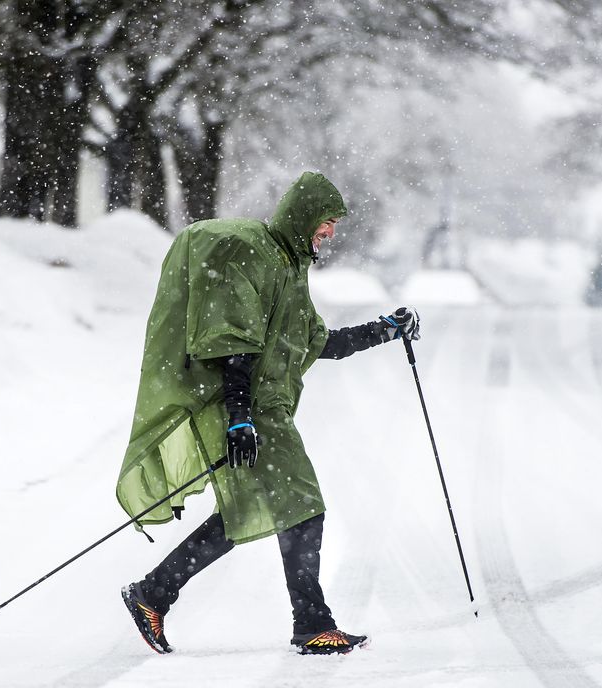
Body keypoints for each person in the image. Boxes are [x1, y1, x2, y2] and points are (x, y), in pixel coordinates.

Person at [116, 171, 419, 655]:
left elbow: (321, 344)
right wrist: (240, 416)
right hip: (250, 408)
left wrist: (384, 329)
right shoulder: (253, 253)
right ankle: (312, 624)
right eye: (326, 221)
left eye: (335, 224)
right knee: (304, 504)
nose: (331, 232)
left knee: (243, 511)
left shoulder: (291, 270)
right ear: (303, 217)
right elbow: (232, 342)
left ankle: (153, 592)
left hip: (263, 409)